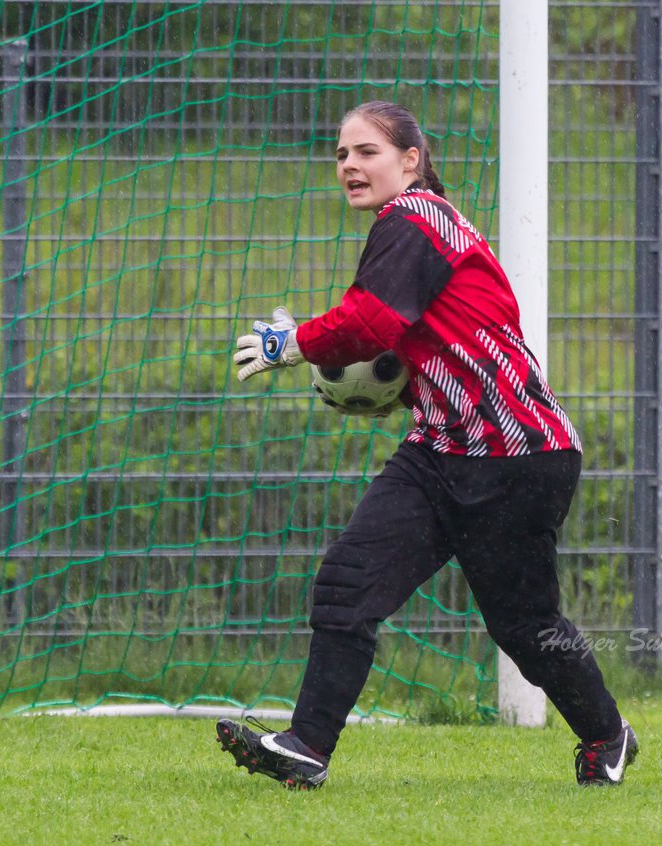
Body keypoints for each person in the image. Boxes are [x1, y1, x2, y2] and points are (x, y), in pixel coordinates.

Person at [219, 101, 637, 789]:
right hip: (440, 451)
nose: (349, 165)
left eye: (366, 151)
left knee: (526, 627)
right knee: (346, 584)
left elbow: (372, 321)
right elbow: (401, 332)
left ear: (411, 161)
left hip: (519, 455)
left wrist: (290, 345)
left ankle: (606, 734)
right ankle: (305, 748)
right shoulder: (414, 226)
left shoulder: (414, 217)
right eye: (340, 155)